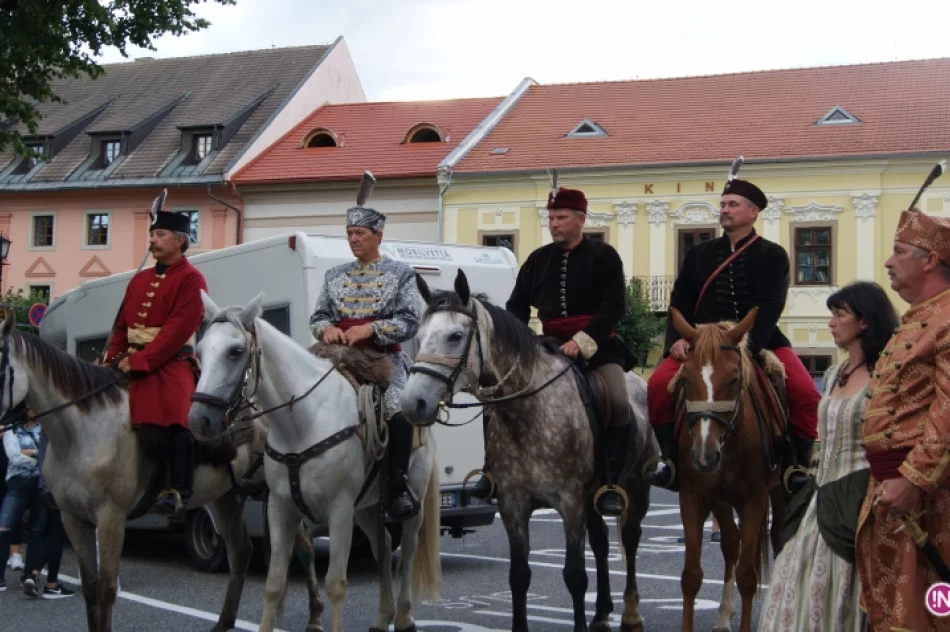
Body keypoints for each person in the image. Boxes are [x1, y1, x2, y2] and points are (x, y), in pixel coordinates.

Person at [645, 178, 820, 491]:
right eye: (723, 204)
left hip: (758, 341)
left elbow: (770, 305)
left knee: (806, 393)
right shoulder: (698, 254)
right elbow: (679, 302)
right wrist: (677, 341)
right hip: (701, 343)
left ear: (753, 212)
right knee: (658, 386)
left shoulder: (773, 255)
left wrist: (744, 346)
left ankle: (796, 464)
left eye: (732, 205)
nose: (724, 210)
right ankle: (670, 461)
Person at [758, 281, 897, 632]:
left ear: (865, 321)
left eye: (840, 314)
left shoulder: (885, 375)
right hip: (819, 495)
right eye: (831, 314)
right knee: (794, 579)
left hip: (859, 496)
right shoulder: (835, 373)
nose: (831, 322)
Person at [492, 185, 634, 518]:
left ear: (581, 219)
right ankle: (492, 472)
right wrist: (521, 343)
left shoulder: (604, 255)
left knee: (619, 402)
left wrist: (582, 341)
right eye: (552, 218)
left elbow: (615, 307)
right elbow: (516, 307)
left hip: (599, 347)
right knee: (501, 396)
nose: (554, 224)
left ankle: (611, 482)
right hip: (548, 346)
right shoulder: (537, 260)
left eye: (561, 218)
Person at [856, 207, 950, 631]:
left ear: (930, 260)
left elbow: (947, 412)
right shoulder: (918, 317)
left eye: (898, 251)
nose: (887, 262)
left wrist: (914, 479)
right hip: (891, 490)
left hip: (928, 500)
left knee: (929, 614)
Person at [309, 202, 424, 521]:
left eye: (359, 233)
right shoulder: (334, 275)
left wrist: (372, 329)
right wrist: (326, 329)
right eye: (349, 233)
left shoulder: (402, 273)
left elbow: (410, 321)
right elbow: (318, 317)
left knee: (398, 411)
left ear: (378, 236)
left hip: (383, 358)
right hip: (337, 356)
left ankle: (399, 484)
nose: (353, 239)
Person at [103, 208, 208, 516]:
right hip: (129, 359)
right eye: (152, 234)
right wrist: (110, 359)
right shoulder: (139, 280)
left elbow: (178, 331)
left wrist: (142, 360)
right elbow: (121, 327)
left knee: (176, 416)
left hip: (171, 362)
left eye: (160, 235)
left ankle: (177, 489)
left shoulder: (192, 279)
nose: (153, 240)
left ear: (180, 241)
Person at [20, 422, 75, 599]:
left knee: (51, 534)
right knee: (56, 535)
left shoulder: (46, 430)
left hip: (45, 486)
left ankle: (41, 578)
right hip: (59, 487)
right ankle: (43, 579)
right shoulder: (58, 432)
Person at [0, 415, 42, 592]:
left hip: (40, 484)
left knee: (37, 531)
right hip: (17, 483)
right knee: (4, 528)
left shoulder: (44, 427)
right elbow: (14, 457)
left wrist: (28, 452)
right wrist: (38, 457)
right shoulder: (11, 429)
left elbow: (52, 452)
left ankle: (29, 576)